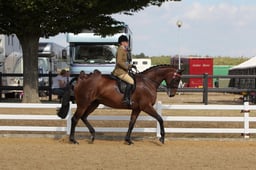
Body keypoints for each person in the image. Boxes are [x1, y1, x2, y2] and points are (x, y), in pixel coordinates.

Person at [112, 35, 134, 106]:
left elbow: (124, 62)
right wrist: (127, 67)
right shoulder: (120, 49)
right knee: (131, 81)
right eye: (126, 42)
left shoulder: (123, 49)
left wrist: (131, 66)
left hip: (123, 70)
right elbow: (119, 62)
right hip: (120, 71)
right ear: (122, 42)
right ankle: (126, 99)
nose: (127, 43)